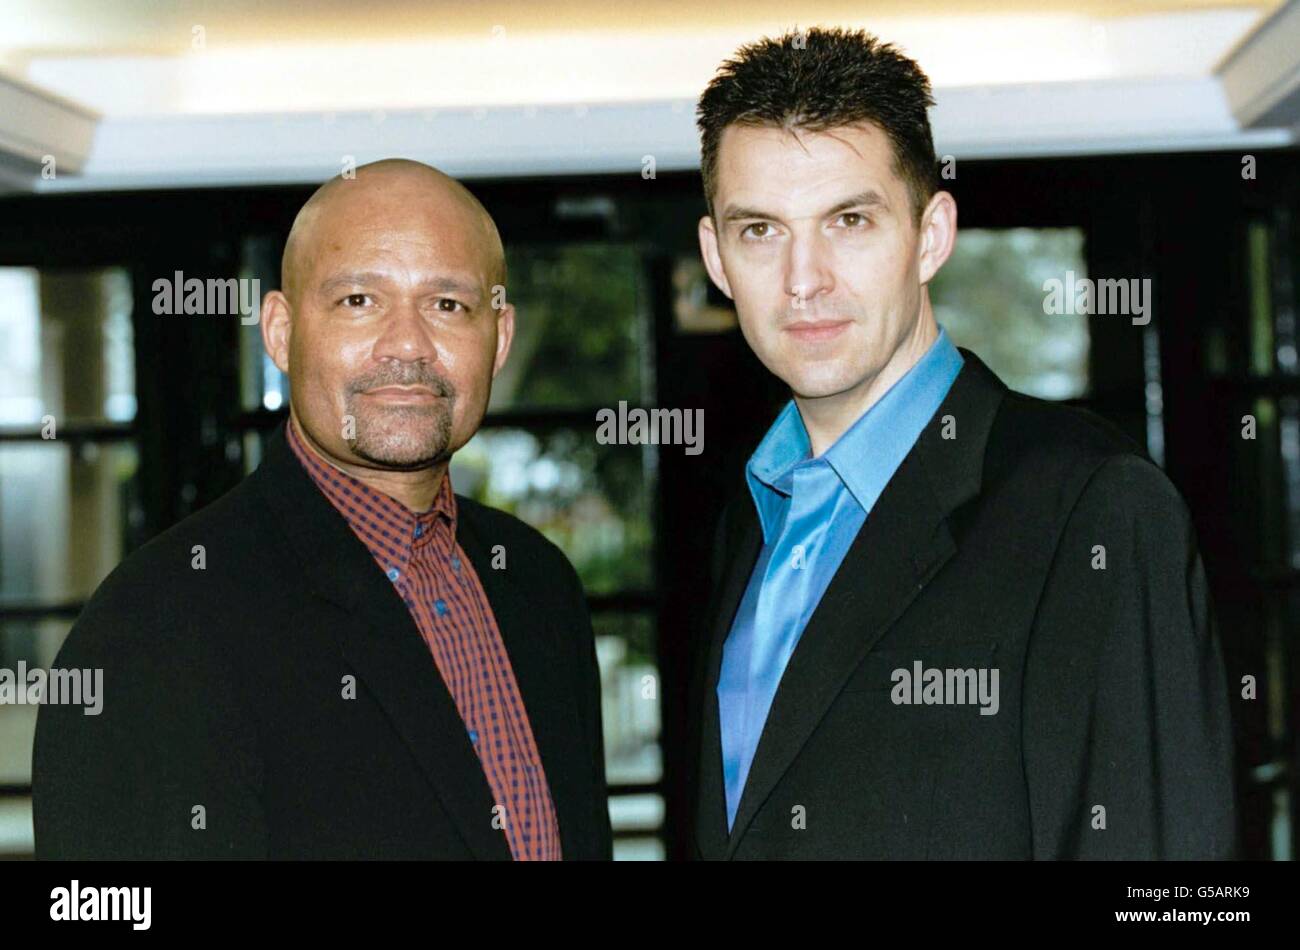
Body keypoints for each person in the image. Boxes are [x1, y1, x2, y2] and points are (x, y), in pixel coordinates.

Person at [687, 28, 1236, 859]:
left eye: (850, 220)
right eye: (760, 230)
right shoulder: (752, 519)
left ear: (931, 236)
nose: (804, 280)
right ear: (716, 258)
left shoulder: (1092, 508)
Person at [34, 159, 612, 860]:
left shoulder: (538, 586)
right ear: (279, 332)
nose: (407, 345)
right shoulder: (155, 625)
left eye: (448, 305)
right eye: (359, 301)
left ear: (501, 339)